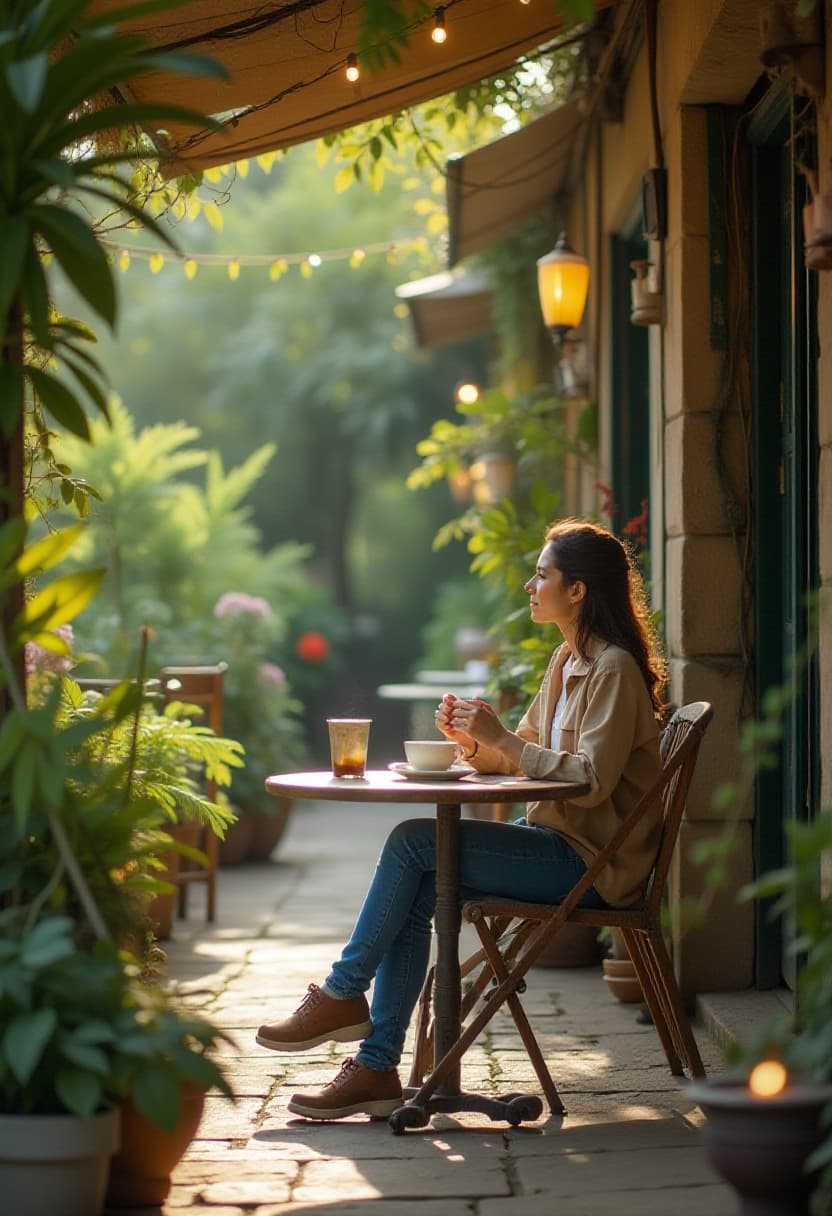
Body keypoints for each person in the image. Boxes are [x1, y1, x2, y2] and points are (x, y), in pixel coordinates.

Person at [256, 518, 666, 1121]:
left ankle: (344, 995)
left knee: (412, 842)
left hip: (590, 862)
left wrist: (502, 738)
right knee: (420, 880)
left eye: (542, 575)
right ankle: (376, 1068)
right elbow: (521, 746)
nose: (531, 585)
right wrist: (474, 741)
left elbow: (590, 779)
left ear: (576, 591)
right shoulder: (565, 661)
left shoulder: (613, 670)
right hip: (554, 843)